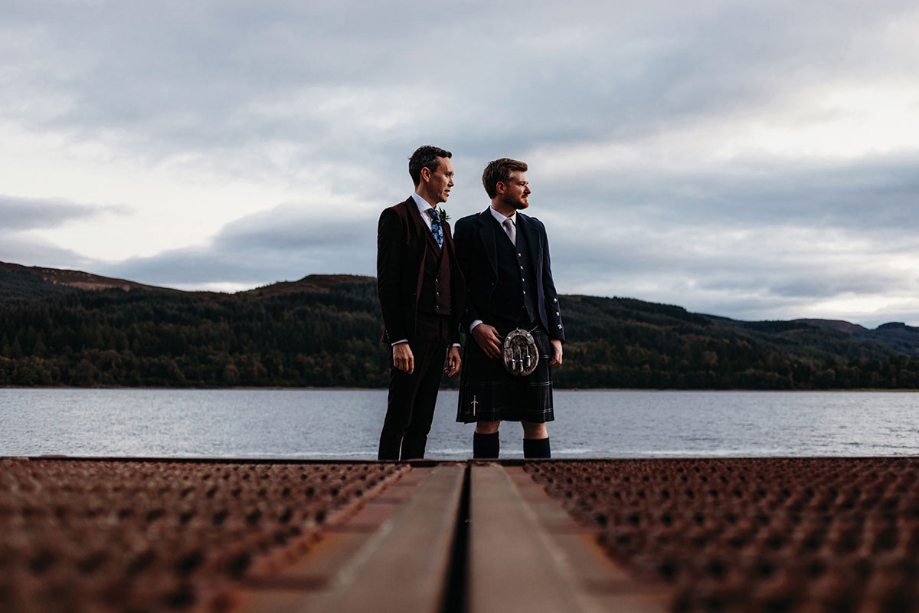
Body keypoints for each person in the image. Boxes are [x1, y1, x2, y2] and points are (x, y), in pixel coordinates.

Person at [453, 158, 564, 459]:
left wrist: (556, 335)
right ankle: (484, 489)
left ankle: (541, 489)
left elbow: (546, 283)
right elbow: (458, 286)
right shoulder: (468, 229)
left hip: (535, 333)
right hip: (489, 339)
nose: (528, 188)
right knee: (487, 421)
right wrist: (474, 325)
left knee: (536, 421)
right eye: (521, 183)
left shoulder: (536, 229)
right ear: (501, 188)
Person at [376, 145, 464, 460]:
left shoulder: (443, 223)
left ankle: (413, 488)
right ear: (427, 174)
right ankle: (383, 484)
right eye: (448, 174)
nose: (452, 182)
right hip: (411, 333)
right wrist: (398, 339)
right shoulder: (395, 217)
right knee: (399, 417)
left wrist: (454, 340)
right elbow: (387, 284)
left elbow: (452, 282)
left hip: (440, 332)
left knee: (422, 422)